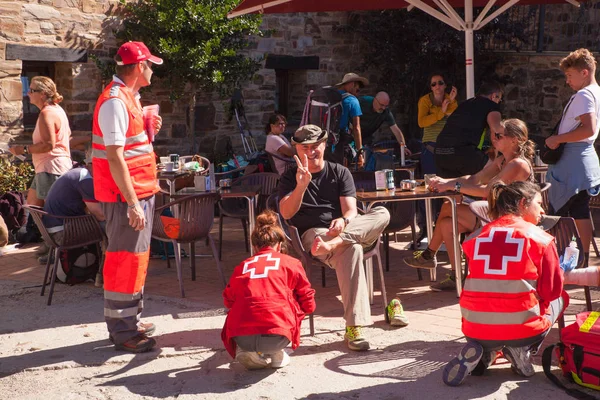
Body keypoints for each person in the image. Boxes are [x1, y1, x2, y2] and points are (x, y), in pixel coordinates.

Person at [278, 124, 396, 351]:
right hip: (315, 234)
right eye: (305, 147)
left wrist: (344, 222)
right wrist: (301, 186)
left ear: (324, 145)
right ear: (297, 150)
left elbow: (351, 210)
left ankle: (338, 242)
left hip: (339, 234)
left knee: (382, 212)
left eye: (315, 146)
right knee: (353, 249)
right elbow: (286, 213)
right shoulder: (289, 177)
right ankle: (354, 327)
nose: (311, 152)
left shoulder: (340, 172)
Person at [442, 181, 568, 386]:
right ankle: (522, 350)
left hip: (474, 328)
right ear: (522, 203)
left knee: (494, 306)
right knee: (561, 298)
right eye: (538, 203)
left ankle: (487, 353)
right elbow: (552, 291)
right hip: (522, 330)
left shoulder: (473, 238)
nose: (543, 210)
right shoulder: (541, 238)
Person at [405, 119, 535, 292]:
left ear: (514, 140)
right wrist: (447, 181)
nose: (494, 138)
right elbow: (475, 178)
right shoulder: (502, 160)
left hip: (512, 219)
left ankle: (430, 255)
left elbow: (488, 190)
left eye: (499, 135)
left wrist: (453, 186)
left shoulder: (517, 164)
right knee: (446, 223)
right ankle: (454, 274)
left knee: (447, 208)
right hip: (498, 212)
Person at [92, 41, 163, 353]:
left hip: (136, 193)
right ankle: (123, 332)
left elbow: (132, 150)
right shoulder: (114, 102)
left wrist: (150, 131)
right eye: (149, 65)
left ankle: (130, 321)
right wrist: (133, 203)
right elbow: (115, 157)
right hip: (125, 198)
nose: (152, 71)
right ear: (138, 67)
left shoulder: (128, 98)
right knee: (124, 262)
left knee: (136, 261)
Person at [221, 210, 316, 370]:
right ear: (279, 244)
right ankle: (276, 353)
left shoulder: (243, 266)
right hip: (278, 335)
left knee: (238, 308)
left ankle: (245, 350)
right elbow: (308, 302)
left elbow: (228, 300)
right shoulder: (291, 263)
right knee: (291, 304)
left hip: (241, 336)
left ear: (255, 246)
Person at [545, 48, 600, 266]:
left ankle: (561, 262)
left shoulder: (584, 95)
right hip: (585, 160)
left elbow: (588, 129)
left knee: (559, 213)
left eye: (570, 75)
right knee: (580, 211)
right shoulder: (597, 92)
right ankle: (582, 260)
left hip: (572, 162)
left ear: (584, 72)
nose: (567, 81)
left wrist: (558, 139)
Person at [9, 76, 72, 208]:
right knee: (32, 206)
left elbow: (48, 145)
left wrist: (23, 149)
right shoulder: (56, 110)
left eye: (32, 90)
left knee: (50, 212)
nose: (28, 93)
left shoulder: (47, 113)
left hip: (51, 168)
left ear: (42, 94)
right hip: (47, 168)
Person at [40, 154, 105, 263]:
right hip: (63, 234)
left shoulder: (76, 173)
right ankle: (106, 267)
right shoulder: (85, 179)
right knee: (110, 226)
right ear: (92, 165)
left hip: (52, 232)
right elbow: (100, 215)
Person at [434, 81, 504, 178]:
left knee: (452, 188)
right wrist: (499, 156)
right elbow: (496, 131)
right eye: (499, 99)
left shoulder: (464, 104)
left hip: (440, 152)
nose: (498, 102)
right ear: (493, 96)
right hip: (462, 151)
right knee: (495, 173)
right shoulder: (492, 106)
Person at [418, 73, 458, 176]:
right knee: (430, 180)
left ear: (445, 85)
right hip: (430, 146)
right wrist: (441, 112)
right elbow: (421, 122)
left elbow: (455, 120)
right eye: (434, 84)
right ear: (431, 87)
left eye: (440, 83)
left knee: (448, 180)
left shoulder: (451, 100)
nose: (437, 86)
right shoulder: (425, 101)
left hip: (447, 145)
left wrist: (451, 102)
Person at [332, 73, 368, 167]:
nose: (358, 92)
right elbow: (357, 128)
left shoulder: (331, 97)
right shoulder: (352, 101)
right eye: (358, 88)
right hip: (340, 145)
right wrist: (360, 151)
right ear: (352, 84)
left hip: (324, 143)